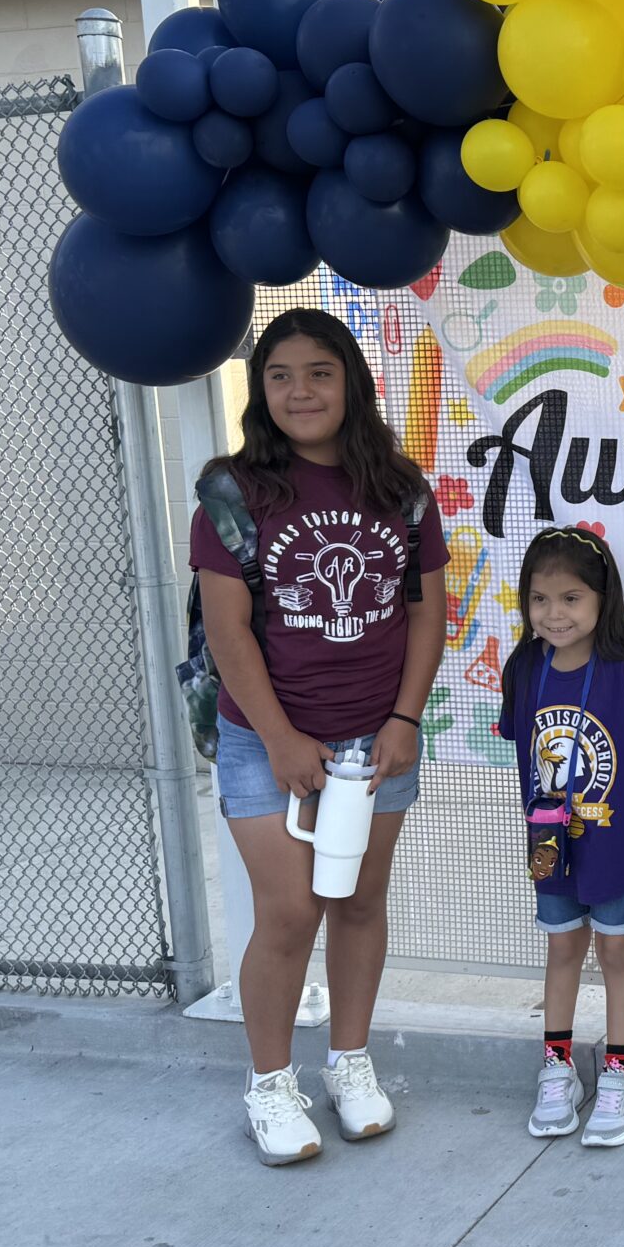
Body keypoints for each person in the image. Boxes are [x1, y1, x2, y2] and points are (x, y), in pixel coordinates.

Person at [190, 308, 445, 1166]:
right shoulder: (232, 491)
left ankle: (350, 1063)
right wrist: (281, 739)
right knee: (293, 909)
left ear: (353, 384)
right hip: (268, 743)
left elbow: (425, 611)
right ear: (260, 392)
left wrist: (404, 720)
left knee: (360, 902)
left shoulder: (400, 487)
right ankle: (269, 1083)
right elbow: (228, 635)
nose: (301, 391)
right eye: (280, 376)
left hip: (374, 747)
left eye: (320, 373)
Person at [498, 526, 624, 1149]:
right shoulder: (524, 667)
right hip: (552, 846)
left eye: (571, 598)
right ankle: (558, 1068)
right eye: (540, 599)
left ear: (603, 598)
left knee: (617, 954)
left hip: (619, 844)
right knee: (561, 951)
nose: (554, 613)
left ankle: (621, 1072)